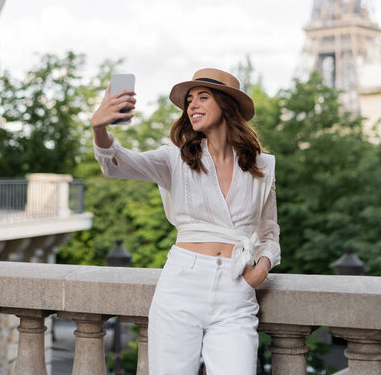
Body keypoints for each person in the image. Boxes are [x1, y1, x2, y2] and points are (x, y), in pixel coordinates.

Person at [92, 67, 280, 375]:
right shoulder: (174, 159)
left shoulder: (262, 166)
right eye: (189, 100)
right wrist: (100, 130)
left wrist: (259, 271)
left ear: (226, 105)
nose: (192, 105)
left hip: (236, 292)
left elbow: (269, 233)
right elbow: (118, 164)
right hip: (181, 285)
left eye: (203, 97)